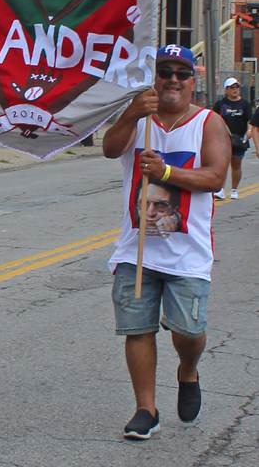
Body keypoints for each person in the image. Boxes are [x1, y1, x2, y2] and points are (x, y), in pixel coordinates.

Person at [103, 44, 229, 440]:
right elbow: (109, 149)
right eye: (164, 71)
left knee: (188, 332)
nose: (172, 78)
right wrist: (131, 113)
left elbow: (215, 178)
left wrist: (168, 171)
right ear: (153, 78)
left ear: (193, 82)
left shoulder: (208, 122)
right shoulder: (139, 121)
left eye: (182, 72)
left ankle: (188, 371)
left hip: (188, 253)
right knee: (137, 329)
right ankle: (146, 409)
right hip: (136, 248)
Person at [213, 77, 252, 200]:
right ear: (226, 89)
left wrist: (249, 130)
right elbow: (212, 118)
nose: (235, 90)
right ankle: (220, 189)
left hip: (239, 138)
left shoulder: (244, 104)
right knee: (222, 164)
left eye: (237, 87)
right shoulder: (220, 103)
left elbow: (250, 120)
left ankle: (234, 189)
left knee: (236, 164)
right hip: (222, 138)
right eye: (232, 87)